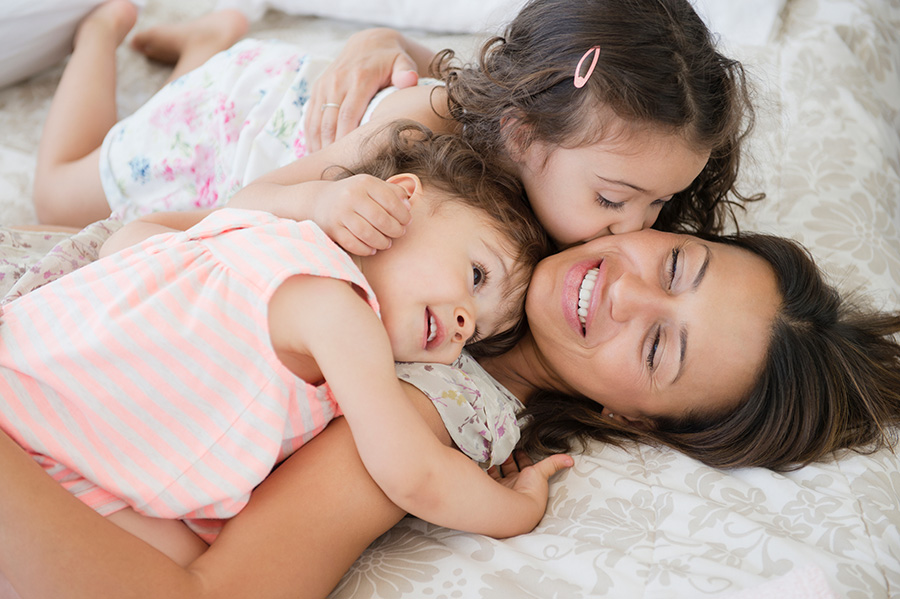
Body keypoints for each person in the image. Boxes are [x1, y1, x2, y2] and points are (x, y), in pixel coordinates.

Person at [1, 224, 899, 599]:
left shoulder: (435, 411)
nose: (626, 293)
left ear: (630, 420)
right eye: (673, 264)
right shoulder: (504, 219)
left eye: (660, 347)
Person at [0, 117, 568, 569]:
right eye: (476, 275)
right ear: (401, 198)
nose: (465, 323)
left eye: (479, 332)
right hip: (54, 453)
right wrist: (517, 508)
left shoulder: (250, 230)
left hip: (22, 374)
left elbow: (125, 241)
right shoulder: (340, 313)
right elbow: (414, 476)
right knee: (184, 567)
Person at [32, 0, 759, 253]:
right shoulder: (415, 132)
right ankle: (102, 33)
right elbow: (247, 201)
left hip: (285, 86)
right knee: (58, 196)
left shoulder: (547, 127)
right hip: (233, 127)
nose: (635, 228)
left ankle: (203, 41)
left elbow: (438, 65)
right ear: (522, 134)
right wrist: (322, 202)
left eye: (657, 203)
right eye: (614, 198)